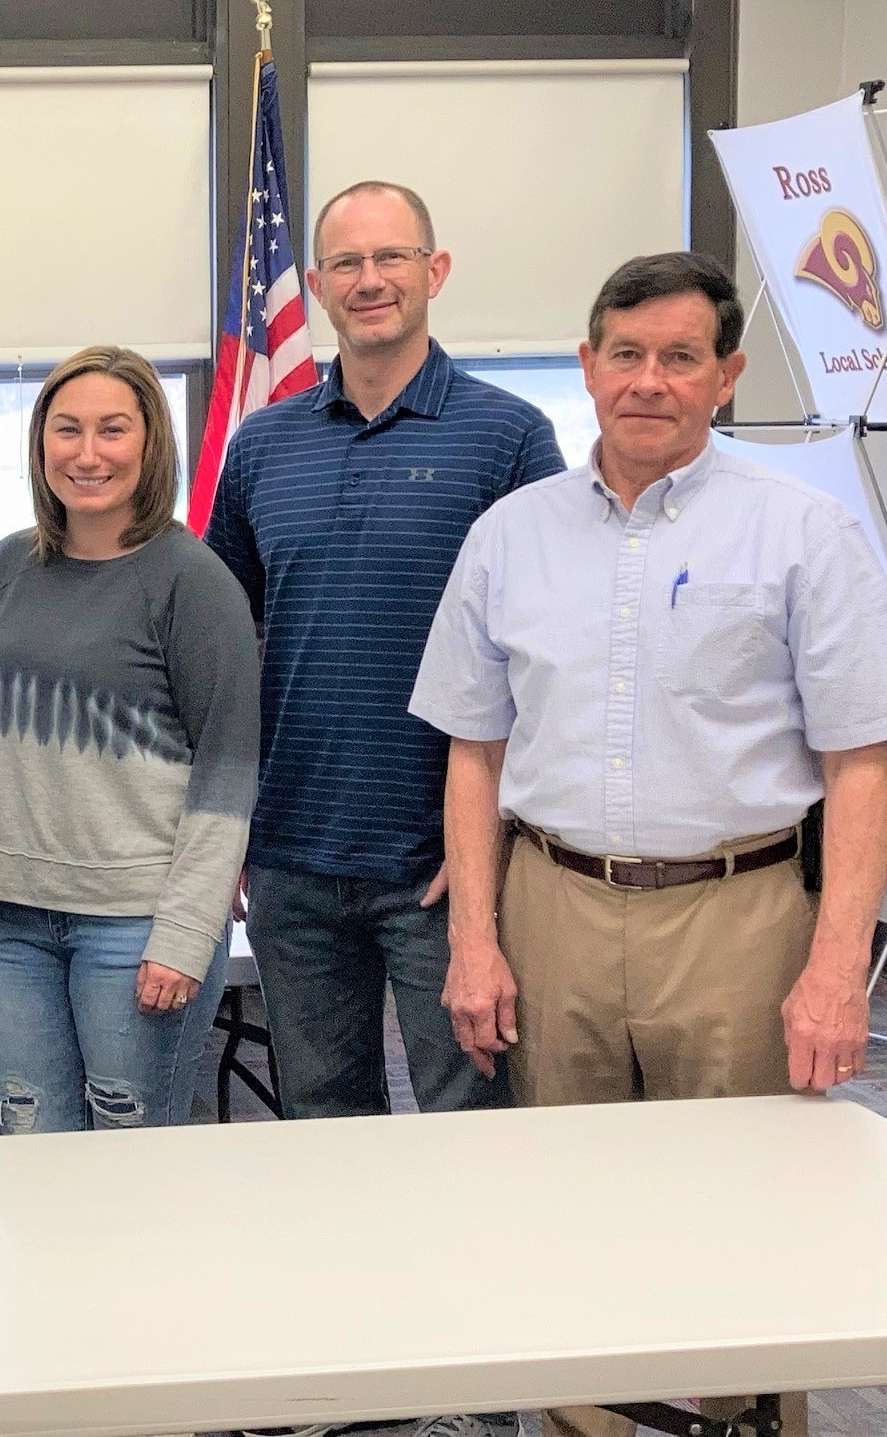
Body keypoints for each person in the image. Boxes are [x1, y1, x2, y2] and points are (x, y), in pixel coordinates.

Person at [412, 252, 887, 1437]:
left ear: (725, 377)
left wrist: (839, 973)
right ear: (587, 367)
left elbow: (862, 763)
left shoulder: (805, 532)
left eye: (681, 357)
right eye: (625, 354)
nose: (649, 380)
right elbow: (472, 754)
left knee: (744, 1205)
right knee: (563, 1203)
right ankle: (590, 1421)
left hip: (740, 915)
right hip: (555, 904)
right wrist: (476, 940)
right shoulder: (508, 537)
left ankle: (740, 1417)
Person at [204, 180, 565, 1122]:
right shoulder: (261, 446)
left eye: (392, 257)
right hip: (292, 858)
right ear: (317, 285)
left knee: (468, 1119)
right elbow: (218, 647)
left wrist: (496, 836)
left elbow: (557, 654)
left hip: (443, 864)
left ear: (434, 270)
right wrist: (226, 821)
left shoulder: (511, 436)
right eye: (349, 264)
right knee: (323, 1123)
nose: (372, 280)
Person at [0, 347, 259, 1133]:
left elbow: (228, 768)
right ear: (40, 442)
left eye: (112, 430)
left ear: (150, 444)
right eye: (67, 430)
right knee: (30, 1141)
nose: (87, 454)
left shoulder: (193, 579)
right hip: (11, 920)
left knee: (129, 1162)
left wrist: (186, 934)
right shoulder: (7, 566)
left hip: (136, 924)